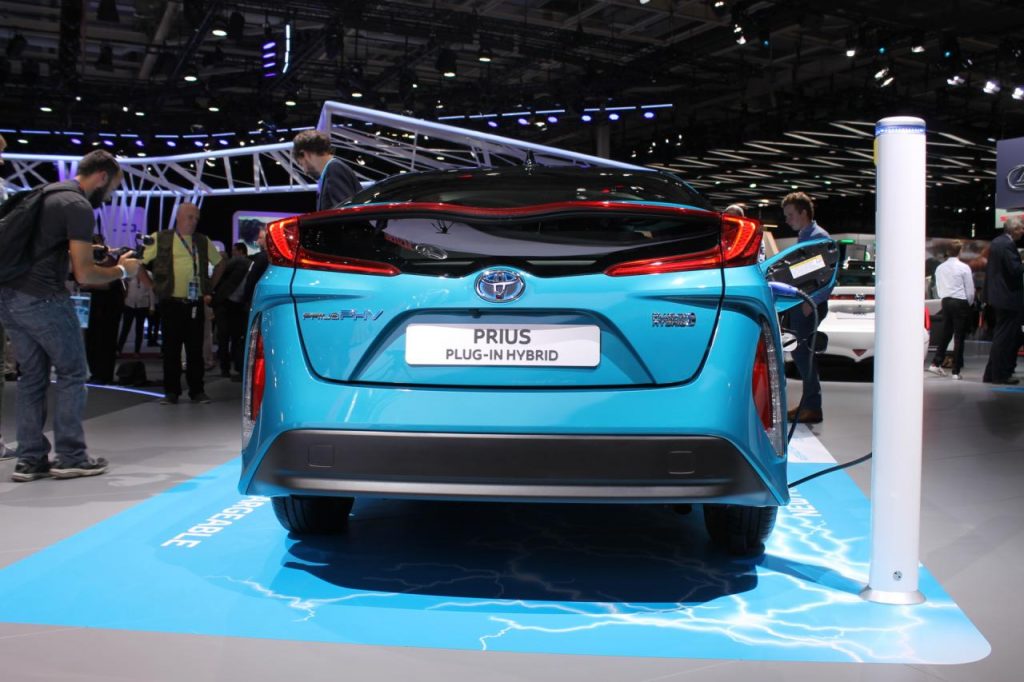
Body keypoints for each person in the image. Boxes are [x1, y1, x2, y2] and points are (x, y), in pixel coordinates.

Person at [0, 150, 142, 482]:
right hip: (44, 299)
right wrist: (124, 270)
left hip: (9, 297)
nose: (110, 196)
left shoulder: (45, 194)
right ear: (102, 176)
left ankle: (30, 459)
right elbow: (85, 274)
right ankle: (71, 456)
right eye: (112, 188)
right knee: (73, 372)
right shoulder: (77, 205)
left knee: (32, 376)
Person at [141, 203, 223, 404]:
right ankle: (171, 392)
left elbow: (220, 263)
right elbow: (138, 263)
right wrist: (152, 286)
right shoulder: (160, 238)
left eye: (196, 218)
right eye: (190, 217)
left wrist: (209, 287)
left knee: (195, 349)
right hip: (171, 302)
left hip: (195, 303)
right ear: (178, 217)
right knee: (171, 349)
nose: (194, 222)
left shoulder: (202, 241)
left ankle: (197, 390)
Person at [781, 192, 831, 424]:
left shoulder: (818, 238)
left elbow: (828, 276)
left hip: (807, 305)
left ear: (804, 213)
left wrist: (811, 303)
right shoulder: (806, 236)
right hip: (802, 303)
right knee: (801, 354)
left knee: (803, 354)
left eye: (790, 215)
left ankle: (812, 406)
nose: (787, 220)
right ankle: (809, 404)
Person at [981, 216, 1024, 385]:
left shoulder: (997, 242)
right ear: (1014, 230)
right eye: (1021, 228)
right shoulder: (1007, 244)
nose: (1023, 231)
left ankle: (991, 374)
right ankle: (999, 375)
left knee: (1002, 336)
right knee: (1005, 338)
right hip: (1008, 298)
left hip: (999, 297)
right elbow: (1015, 270)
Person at [927, 241, 975, 380]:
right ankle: (956, 370)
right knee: (959, 337)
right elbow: (970, 290)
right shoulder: (964, 267)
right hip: (960, 302)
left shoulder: (940, 268)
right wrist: (968, 303)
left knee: (946, 333)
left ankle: (936, 363)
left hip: (946, 301)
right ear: (960, 251)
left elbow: (938, 288)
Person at [211, 242, 251, 378]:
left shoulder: (244, 263)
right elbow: (222, 273)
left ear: (240, 251)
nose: (233, 253)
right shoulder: (240, 263)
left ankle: (233, 368)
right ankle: (227, 368)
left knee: (233, 338)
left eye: (235, 251)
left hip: (236, 306)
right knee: (226, 337)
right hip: (225, 303)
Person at [291, 130, 361, 210]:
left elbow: (345, 212)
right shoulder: (333, 169)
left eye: (302, 164)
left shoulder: (334, 168)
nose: (305, 171)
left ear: (305, 154)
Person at [118, 267, 156, 355]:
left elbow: (151, 291)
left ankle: (137, 351)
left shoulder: (149, 274)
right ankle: (119, 349)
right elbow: (123, 285)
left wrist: (152, 306)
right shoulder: (130, 273)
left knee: (139, 329)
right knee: (125, 328)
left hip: (142, 305)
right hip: (129, 304)